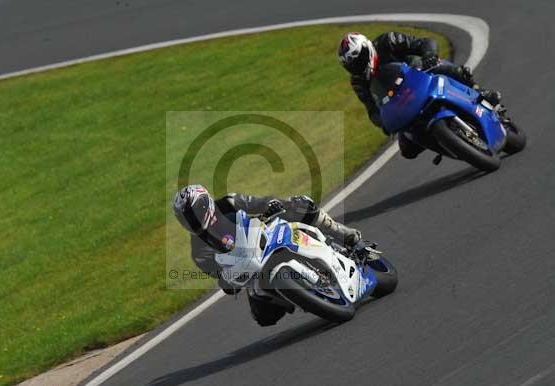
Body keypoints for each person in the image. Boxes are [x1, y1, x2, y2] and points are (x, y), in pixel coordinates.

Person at [172, 184, 361, 326]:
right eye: (187, 218)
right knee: (263, 316)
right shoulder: (198, 251)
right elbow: (220, 276)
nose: (192, 220)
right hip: (253, 269)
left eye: (194, 213)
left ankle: (341, 233)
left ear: (206, 203)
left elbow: (258, 203)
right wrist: (228, 282)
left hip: (268, 235)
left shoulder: (229, 203)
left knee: (300, 206)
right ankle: (304, 295)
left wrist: (271, 205)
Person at [338, 31, 503, 159]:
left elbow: (424, 43)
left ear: (367, 48)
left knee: (451, 70)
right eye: (353, 66)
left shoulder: (387, 41)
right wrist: (384, 124)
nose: (358, 67)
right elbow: (372, 110)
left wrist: (429, 55)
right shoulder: (358, 82)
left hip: (422, 76)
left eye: (359, 61)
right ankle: (447, 144)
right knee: (407, 150)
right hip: (402, 105)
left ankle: (480, 93)